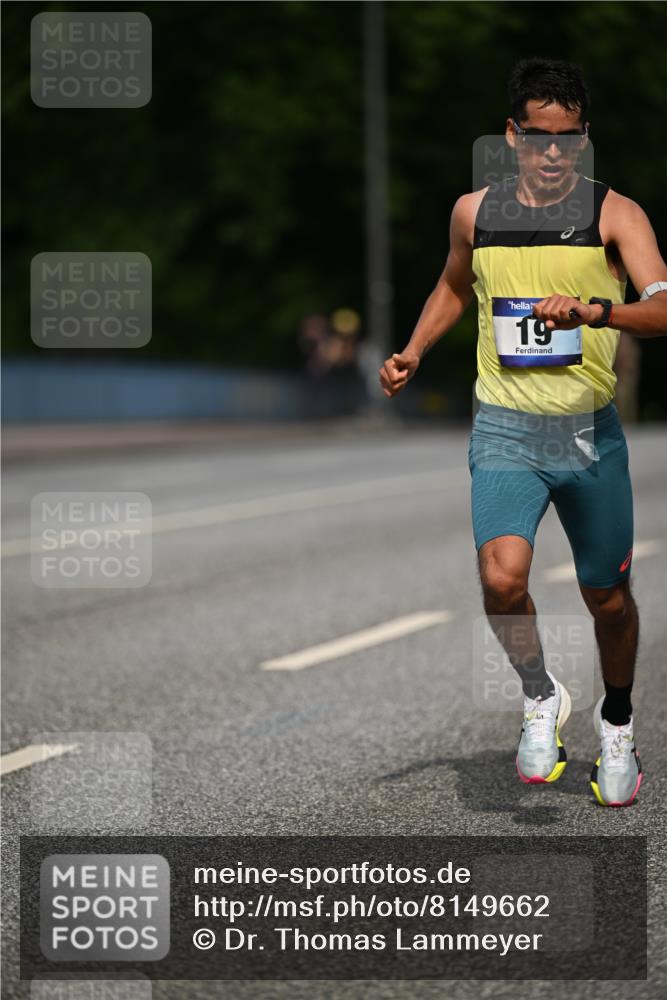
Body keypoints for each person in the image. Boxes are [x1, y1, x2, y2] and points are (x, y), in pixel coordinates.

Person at [379, 58, 667, 806]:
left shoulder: (614, 215)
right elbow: (452, 284)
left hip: (587, 432)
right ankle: (539, 697)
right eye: (538, 137)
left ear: (583, 138)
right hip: (504, 427)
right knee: (501, 579)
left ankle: (615, 722)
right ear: (511, 136)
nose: (552, 153)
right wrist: (414, 350)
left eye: (567, 139)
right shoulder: (473, 212)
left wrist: (593, 312)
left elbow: (663, 308)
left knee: (606, 598)